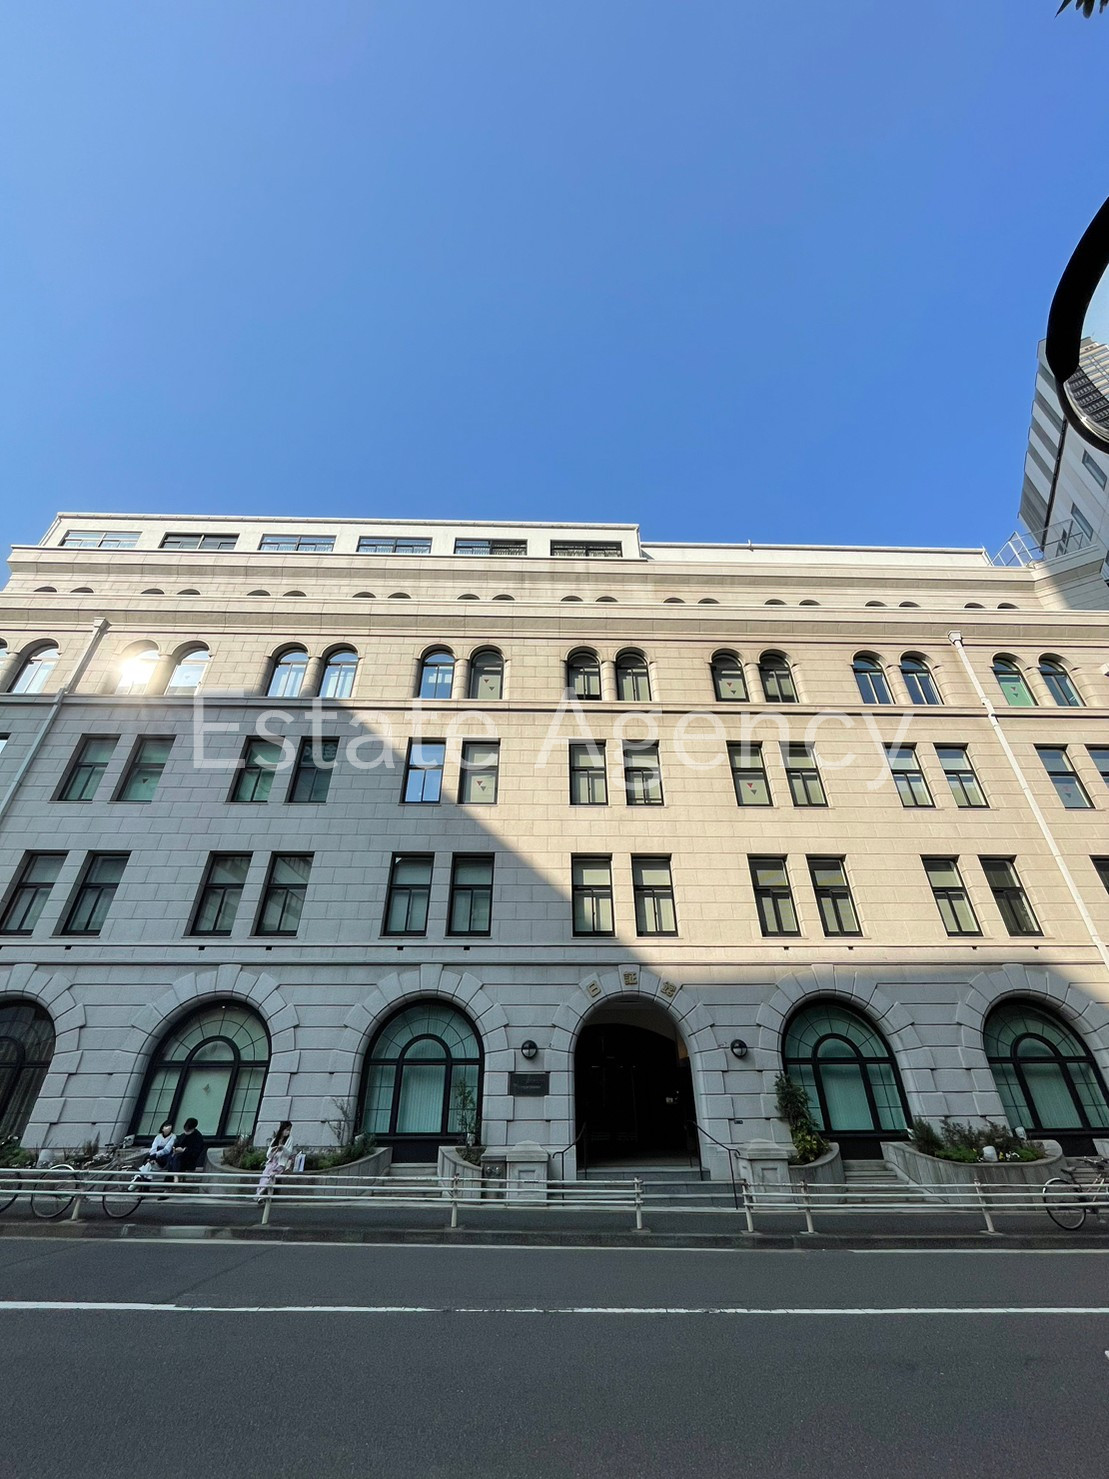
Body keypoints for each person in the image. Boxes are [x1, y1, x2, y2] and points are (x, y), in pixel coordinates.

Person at [255, 1121, 294, 1202]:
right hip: (272, 1162)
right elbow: (268, 1155)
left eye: (289, 1130)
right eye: (286, 1129)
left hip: (280, 1164)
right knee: (264, 1176)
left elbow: (289, 1153)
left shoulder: (290, 1139)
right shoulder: (275, 1140)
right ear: (282, 1129)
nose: (287, 1132)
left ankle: (261, 1194)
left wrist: (283, 1148)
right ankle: (259, 1195)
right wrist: (273, 1150)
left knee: (271, 1176)